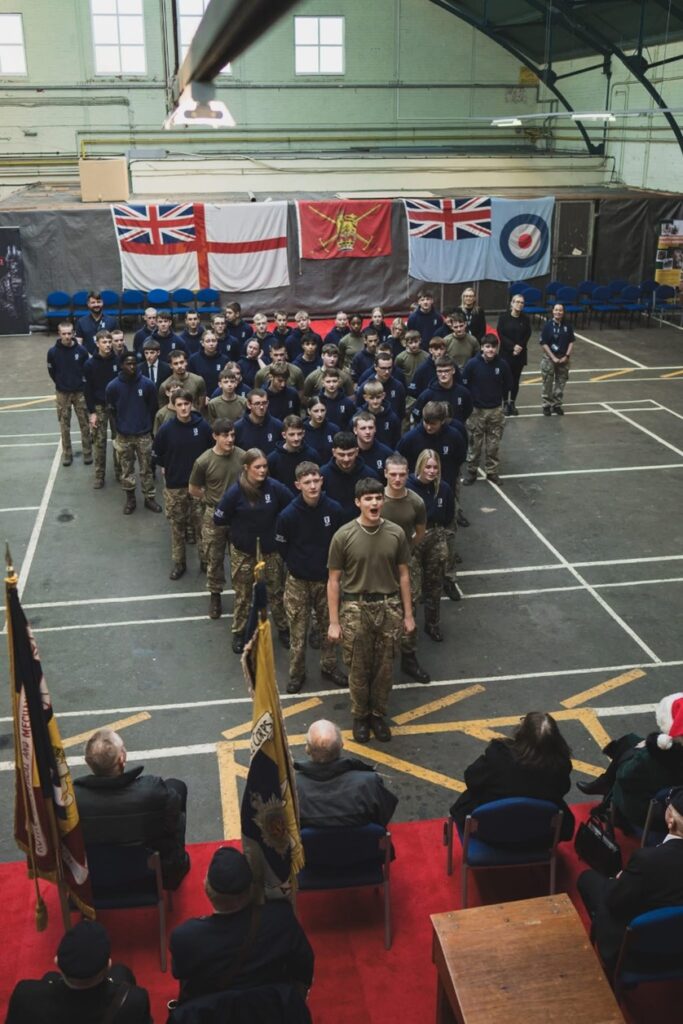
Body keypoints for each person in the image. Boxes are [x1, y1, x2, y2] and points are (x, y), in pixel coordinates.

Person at [327, 477, 414, 743]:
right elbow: (333, 580)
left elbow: (403, 576)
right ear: (358, 503)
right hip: (356, 607)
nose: (374, 503)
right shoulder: (343, 536)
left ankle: (378, 714)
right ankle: (360, 716)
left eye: (378, 498)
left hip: (389, 606)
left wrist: (409, 615)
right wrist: (334, 621)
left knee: (385, 667)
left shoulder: (396, 533)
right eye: (368, 499)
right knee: (358, 667)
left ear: (383, 501)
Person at [169, 846, 314, 1004]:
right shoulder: (280, 920)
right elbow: (303, 964)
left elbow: (181, 973)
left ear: (207, 889)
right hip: (268, 1009)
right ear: (250, 890)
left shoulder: (185, 937)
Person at [578, 786, 683, 978]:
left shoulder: (648, 860)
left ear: (670, 820)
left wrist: (616, 881)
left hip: (639, 951)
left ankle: (604, 940)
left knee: (587, 880)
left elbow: (615, 901)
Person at [74, 728, 190, 890]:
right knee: (177, 788)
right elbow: (171, 822)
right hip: (146, 873)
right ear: (122, 758)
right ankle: (175, 867)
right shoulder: (152, 790)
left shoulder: (73, 799)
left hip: (95, 875)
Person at [276, 462, 346, 693]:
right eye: (307, 482)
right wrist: (298, 566)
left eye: (316, 480)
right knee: (298, 631)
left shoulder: (334, 509)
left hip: (327, 581)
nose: (313, 486)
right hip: (298, 582)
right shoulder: (288, 515)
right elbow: (282, 548)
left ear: (322, 480)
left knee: (329, 627)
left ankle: (329, 666)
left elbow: (340, 543)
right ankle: (297, 674)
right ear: (298, 485)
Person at [213, 448, 292, 653]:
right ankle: (239, 633)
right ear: (246, 468)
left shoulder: (274, 488)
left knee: (276, 592)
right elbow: (219, 517)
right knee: (243, 595)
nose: (262, 470)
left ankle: (283, 629)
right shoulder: (235, 492)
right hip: (244, 552)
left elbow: (292, 507)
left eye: (265, 466)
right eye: (258, 467)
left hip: (270, 552)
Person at [449, 711, 576, 839]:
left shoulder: (499, 756)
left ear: (521, 734)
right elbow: (562, 791)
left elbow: (471, 778)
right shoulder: (561, 767)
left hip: (490, 834)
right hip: (538, 839)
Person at [5, 920, 151, 1024]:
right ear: (108, 966)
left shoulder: (25, 995)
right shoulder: (135, 1001)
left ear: (57, 962)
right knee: (122, 972)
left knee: (50, 977)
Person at [576, 693, 683, 830]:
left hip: (645, 809)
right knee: (630, 740)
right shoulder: (670, 750)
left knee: (626, 759)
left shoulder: (653, 758)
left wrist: (643, 751)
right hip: (664, 794)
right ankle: (605, 782)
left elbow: (624, 775)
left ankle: (607, 788)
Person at [153, 390, 213, 580]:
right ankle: (179, 563)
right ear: (173, 406)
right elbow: (157, 454)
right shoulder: (166, 429)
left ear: (192, 404)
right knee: (177, 527)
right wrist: (167, 467)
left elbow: (212, 452)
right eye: (179, 405)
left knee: (202, 527)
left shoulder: (203, 426)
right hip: (175, 487)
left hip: (198, 486)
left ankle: (205, 561)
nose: (183, 408)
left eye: (186, 404)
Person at [189, 419, 245, 620]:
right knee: (214, 557)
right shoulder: (203, 461)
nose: (230, 439)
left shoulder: (242, 456)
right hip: (214, 515)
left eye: (232, 435)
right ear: (215, 436)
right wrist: (211, 501)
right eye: (225, 436)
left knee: (241, 558)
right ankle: (215, 595)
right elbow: (194, 489)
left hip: (238, 515)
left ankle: (242, 594)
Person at [381, 453, 430, 684]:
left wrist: (407, 550)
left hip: (407, 565)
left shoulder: (416, 502)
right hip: (380, 567)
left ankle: (409, 658)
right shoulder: (375, 500)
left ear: (408, 473)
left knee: (410, 609)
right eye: (393, 474)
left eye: (402, 474)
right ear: (385, 474)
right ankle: (384, 661)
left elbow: (420, 532)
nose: (398, 479)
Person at [295, 719, 398, 827]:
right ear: (341, 744)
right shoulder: (369, 783)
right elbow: (383, 817)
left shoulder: (293, 788)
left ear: (307, 749)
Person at [105, 352, 161, 514]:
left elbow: (153, 408)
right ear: (121, 365)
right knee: (127, 469)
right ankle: (130, 500)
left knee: (147, 469)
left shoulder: (147, 384)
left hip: (143, 434)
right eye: (128, 364)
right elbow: (111, 411)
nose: (132, 366)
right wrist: (118, 431)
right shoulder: (113, 387)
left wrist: (149, 430)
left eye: (134, 363)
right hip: (124, 436)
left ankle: (149, 498)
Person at [407, 450, 455, 640]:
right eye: (428, 466)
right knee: (412, 588)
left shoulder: (443, 489)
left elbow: (449, 515)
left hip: (436, 537)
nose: (432, 471)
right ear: (419, 466)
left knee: (435, 584)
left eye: (435, 467)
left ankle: (432, 624)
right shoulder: (407, 488)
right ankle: (409, 628)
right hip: (414, 540)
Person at [461, 334, 512, 486]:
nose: (490, 350)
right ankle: (471, 471)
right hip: (476, 411)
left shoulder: (502, 365)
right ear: (482, 347)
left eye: (493, 347)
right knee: (474, 444)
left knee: (493, 444)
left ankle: (492, 472)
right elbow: (464, 385)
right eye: (487, 347)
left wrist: (502, 403)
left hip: (495, 410)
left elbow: (508, 384)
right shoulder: (472, 364)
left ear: (497, 348)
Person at [47, 321, 92, 468]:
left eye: (69, 333)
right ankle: (67, 454)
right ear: (59, 334)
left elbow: (87, 370)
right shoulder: (52, 352)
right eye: (64, 333)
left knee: (85, 424)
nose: (67, 336)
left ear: (73, 334)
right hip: (62, 394)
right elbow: (52, 372)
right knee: (64, 425)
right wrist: (61, 383)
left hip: (80, 392)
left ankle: (87, 453)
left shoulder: (82, 351)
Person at [83, 329, 119, 488]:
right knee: (99, 442)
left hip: (116, 407)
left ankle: (120, 472)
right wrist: (92, 413)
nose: (108, 345)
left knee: (119, 442)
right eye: (104, 342)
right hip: (99, 407)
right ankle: (99, 476)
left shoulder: (118, 361)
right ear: (97, 344)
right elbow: (87, 390)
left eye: (110, 342)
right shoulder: (89, 364)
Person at [320, 431, 378, 523]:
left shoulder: (369, 475)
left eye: (350, 454)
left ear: (357, 451)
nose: (346, 459)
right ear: (334, 452)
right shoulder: (323, 475)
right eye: (341, 455)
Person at [497, 293, 532, 416]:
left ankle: (512, 403)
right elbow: (500, 333)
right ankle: (505, 403)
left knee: (516, 380)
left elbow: (527, 334)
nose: (519, 304)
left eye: (522, 303)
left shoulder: (525, 318)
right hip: (506, 353)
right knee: (505, 379)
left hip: (520, 354)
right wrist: (512, 346)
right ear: (512, 303)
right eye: (517, 302)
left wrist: (519, 347)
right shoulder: (503, 317)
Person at [267, 414, 320, 490]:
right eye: (292, 434)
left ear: (303, 433)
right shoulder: (272, 459)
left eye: (299, 434)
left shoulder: (312, 455)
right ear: (284, 435)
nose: (296, 438)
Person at [540, 302, 574, 416]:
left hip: (563, 359)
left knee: (561, 382)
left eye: (560, 310)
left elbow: (571, 341)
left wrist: (567, 356)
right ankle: (546, 405)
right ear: (552, 311)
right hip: (550, 359)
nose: (558, 312)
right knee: (547, 383)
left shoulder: (567, 326)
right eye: (556, 310)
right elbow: (544, 343)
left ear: (563, 312)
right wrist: (553, 357)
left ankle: (557, 405)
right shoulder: (547, 326)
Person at [233, 388, 283, 456]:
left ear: (268, 403)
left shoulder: (277, 425)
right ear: (249, 405)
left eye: (264, 403)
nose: (262, 407)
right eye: (257, 403)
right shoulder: (238, 428)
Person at [352, 410, 393, 475]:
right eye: (363, 428)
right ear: (355, 430)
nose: (368, 432)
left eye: (370, 428)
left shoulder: (386, 453)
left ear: (375, 429)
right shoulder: (349, 454)